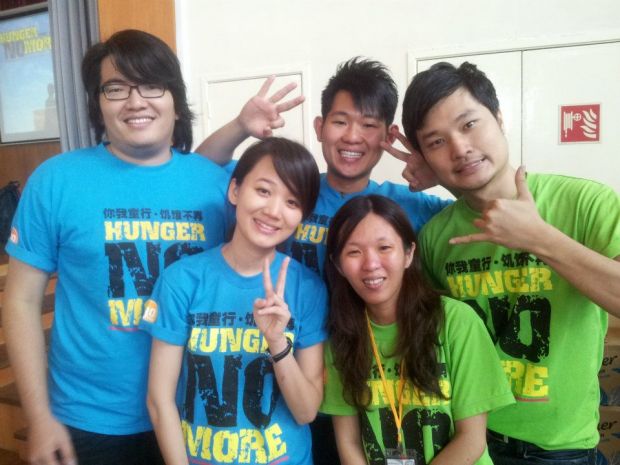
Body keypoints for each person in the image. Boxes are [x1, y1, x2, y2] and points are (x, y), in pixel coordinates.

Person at [3, 30, 230, 465]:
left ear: (175, 101)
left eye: (150, 85)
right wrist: (39, 417)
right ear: (97, 102)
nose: (135, 101)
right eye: (116, 88)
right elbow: (20, 301)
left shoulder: (216, 185)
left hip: (197, 417)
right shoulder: (55, 181)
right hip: (89, 422)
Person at [401, 61, 620, 465]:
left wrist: (539, 238)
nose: (459, 147)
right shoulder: (435, 238)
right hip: (471, 440)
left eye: (469, 125)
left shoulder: (585, 203)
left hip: (561, 449)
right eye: (436, 142)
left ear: (500, 118)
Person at [141, 137, 327, 465]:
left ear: (302, 216)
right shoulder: (182, 280)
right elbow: (159, 400)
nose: (273, 211)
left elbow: (306, 410)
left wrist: (277, 343)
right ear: (235, 191)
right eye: (264, 190)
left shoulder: (308, 289)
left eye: (292, 201)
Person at [197, 57, 452, 278]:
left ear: (388, 135)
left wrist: (442, 174)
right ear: (320, 128)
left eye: (368, 125)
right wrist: (240, 126)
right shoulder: (287, 190)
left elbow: (478, 210)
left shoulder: (407, 205)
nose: (352, 136)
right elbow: (198, 169)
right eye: (341, 121)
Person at [320, 194, 514, 465]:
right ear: (339, 265)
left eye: (384, 247)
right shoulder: (341, 336)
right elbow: (348, 442)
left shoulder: (456, 321)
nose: (371, 263)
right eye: (354, 252)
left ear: (409, 254)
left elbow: (471, 438)